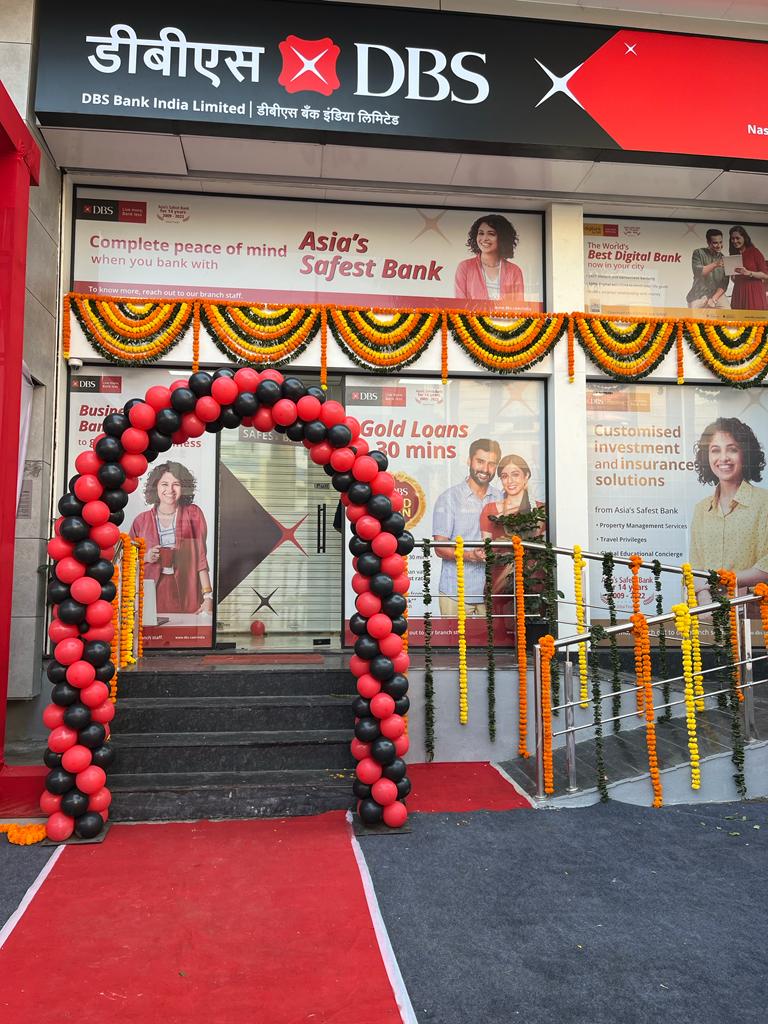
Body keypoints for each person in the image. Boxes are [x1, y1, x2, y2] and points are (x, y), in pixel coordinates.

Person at [689, 418, 768, 600]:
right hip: (708, 610)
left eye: (732, 449)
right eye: (715, 450)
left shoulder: (764, 502)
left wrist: (718, 580)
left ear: (745, 454)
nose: (723, 457)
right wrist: (704, 601)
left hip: (754, 610)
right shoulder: (701, 509)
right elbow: (695, 568)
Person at [130, 460, 213, 616]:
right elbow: (128, 561)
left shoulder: (194, 514)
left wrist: (208, 596)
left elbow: (201, 557)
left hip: (187, 590)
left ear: (184, 488)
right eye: (164, 484)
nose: (170, 490)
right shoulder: (140, 521)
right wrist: (146, 557)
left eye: (176, 484)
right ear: (155, 486)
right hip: (151, 591)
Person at [433, 438, 502, 616]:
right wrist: (471, 556)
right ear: (469, 460)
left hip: (493, 593)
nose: (485, 469)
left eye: (491, 464)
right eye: (480, 461)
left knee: (495, 636)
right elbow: (439, 547)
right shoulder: (449, 498)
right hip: (455, 592)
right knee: (453, 636)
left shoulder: (501, 498)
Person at [480, 455, 546, 634]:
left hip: (532, 581)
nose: (510, 481)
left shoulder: (540, 510)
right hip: (499, 581)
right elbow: (486, 548)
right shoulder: (491, 510)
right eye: (504, 476)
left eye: (515, 474)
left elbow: (542, 547)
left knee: (532, 633)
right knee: (499, 633)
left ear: (526, 476)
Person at [454, 214, 525, 304]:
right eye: (481, 233)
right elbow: (460, 305)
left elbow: (519, 306)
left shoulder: (514, 271)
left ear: (502, 238)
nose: (484, 239)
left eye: (491, 234)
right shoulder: (465, 267)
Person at [729, 225, 768, 312]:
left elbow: (765, 275)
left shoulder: (754, 252)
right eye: (732, 238)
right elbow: (734, 278)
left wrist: (749, 273)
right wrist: (732, 275)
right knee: (738, 319)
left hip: (753, 291)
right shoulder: (733, 254)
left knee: (754, 319)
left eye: (737, 238)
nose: (735, 241)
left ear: (744, 238)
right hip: (739, 291)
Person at [686, 229, 727, 309]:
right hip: (698, 294)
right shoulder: (698, 253)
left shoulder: (724, 258)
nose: (719, 246)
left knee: (728, 313)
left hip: (716, 295)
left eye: (720, 242)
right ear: (708, 242)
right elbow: (698, 273)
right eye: (715, 243)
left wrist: (713, 299)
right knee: (693, 316)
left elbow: (724, 284)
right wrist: (715, 264)